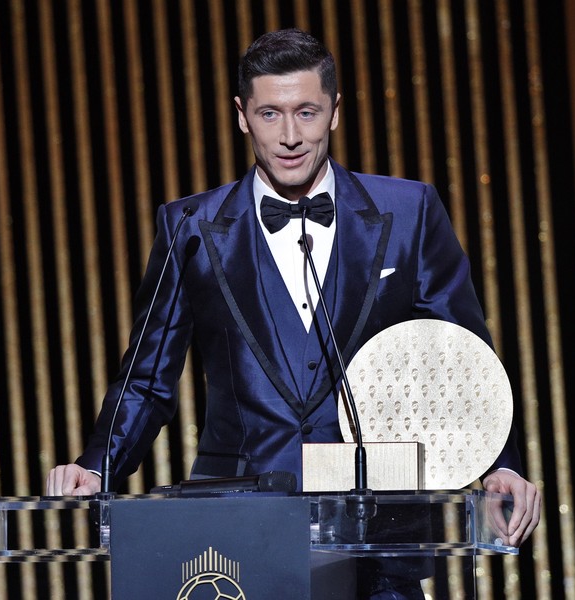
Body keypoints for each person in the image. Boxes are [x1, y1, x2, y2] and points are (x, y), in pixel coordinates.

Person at [47, 27, 540, 595]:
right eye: (270, 114)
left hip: (377, 530)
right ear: (242, 115)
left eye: (306, 112)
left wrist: (499, 462)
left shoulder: (410, 212)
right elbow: (148, 376)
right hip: (234, 535)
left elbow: (461, 356)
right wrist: (97, 465)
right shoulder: (188, 227)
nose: (289, 136)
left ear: (334, 111)